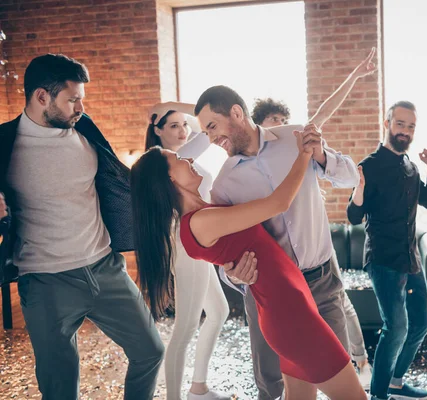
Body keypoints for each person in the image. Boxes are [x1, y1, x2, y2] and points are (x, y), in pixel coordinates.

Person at [152, 47, 377, 400]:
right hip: (270, 298)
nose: (209, 139)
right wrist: (234, 276)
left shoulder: (296, 138)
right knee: (272, 384)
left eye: (212, 127)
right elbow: (230, 251)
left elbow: (350, 177)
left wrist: (317, 154)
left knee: (328, 378)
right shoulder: (223, 184)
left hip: (321, 281)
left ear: (237, 113)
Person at [130, 128, 368, 399]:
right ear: (169, 178)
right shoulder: (198, 223)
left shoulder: (203, 214)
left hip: (290, 309)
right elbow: (278, 203)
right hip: (290, 315)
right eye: (180, 160)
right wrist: (303, 154)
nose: (190, 160)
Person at [0, 54, 164, 399]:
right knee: (60, 388)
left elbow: (114, 179)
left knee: (151, 350)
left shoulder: (84, 128)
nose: (80, 107)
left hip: (105, 268)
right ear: (42, 96)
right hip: (46, 282)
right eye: (72, 99)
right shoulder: (5, 144)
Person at [252, 97, 373, 389]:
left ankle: (360, 362)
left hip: (320, 266)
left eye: (284, 121)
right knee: (282, 367)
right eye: (273, 123)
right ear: (259, 129)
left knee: (337, 346)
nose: (280, 127)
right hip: (277, 281)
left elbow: (347, 176)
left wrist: (319, 154)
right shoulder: (245, 171)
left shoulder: (302, 152)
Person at [347, 101, 427, 400]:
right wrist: (358, 191)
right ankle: (378, 396)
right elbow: (353, 217)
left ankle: (396, 384)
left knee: (422, 323)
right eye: (400, 124)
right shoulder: (370, 165)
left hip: (410, 258)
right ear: (387, 123)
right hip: (383, 260)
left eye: (411, 126)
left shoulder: (410, 166)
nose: (405, 131)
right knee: (396, 328)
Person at [144, 111, 231, 400]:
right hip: (187, 245)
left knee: (219, 311)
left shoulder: (184, 160)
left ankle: (198, 387)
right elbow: (207, 124)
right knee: (186, 327)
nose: (184, 131)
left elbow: (204, 127)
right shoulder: (168, 162)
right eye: (174, 126)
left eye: (185, 125)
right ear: (158, 131)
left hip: (195, 242)